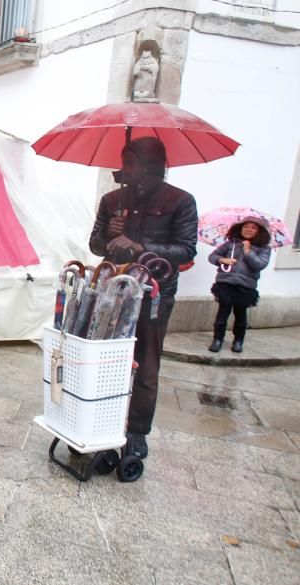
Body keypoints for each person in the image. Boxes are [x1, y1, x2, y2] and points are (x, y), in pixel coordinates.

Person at [89, 136, 197, 460]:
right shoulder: (112, 201)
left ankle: (136, 433)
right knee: (109, 361)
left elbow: (186, 249)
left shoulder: (180, 201)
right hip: (114, 292)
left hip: (154, 295)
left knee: (147, 365)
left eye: (130, 162)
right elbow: (95, 245)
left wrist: (141, 246)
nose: (124, 168)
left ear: (150, 166)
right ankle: (105, 424)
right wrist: (108, 233)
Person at [207, 218, 271, 353]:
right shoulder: (231, 244)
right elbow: (212, 256)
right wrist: (222, 259)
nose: (248, 229)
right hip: (226, 283)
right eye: (246, 226)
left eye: (253, 228)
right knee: (222, 313)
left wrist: (248, 251)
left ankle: (238, 341)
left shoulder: (264, 249)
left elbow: (259, 265)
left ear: (260, 232)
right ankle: (217, 339)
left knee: (240, 315)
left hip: (245, 286)